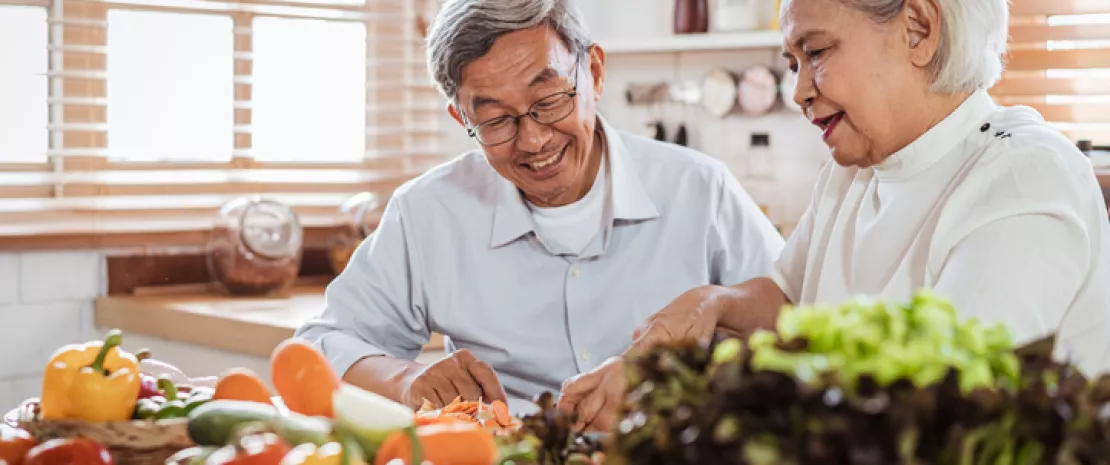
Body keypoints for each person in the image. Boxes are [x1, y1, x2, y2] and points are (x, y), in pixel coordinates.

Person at [558, 0, 1110, 430]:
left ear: (918, 28)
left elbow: (945, 409)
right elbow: (790, 302)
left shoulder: (1021, 175)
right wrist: (711, 306)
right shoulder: (855, 169)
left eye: (816, 52)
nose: (799, 90)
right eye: (793, 63)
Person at [293, 0, 784, 416]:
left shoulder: (699, 189)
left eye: (548, 100)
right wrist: (405, 380)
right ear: (460, 117)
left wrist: (675, 374)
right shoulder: (429, 212)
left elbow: (796, 319)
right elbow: (318, 344)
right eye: (495, 120)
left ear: (593, 72)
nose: (533, 139)